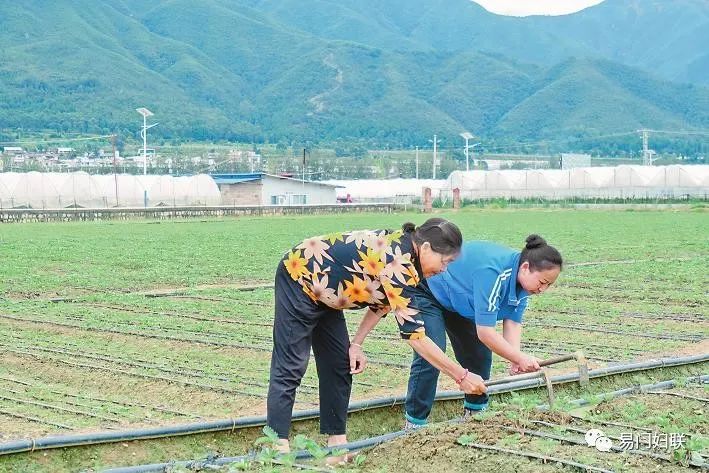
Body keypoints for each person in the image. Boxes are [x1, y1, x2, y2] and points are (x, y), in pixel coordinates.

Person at [266, 218, 487, 453]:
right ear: (425, 248)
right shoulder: (398, 262)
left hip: (329, 292)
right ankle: (277, 445)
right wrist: (461, 376)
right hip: (300, 276)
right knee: (291, 363)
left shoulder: (410, 261)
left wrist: (357, 344)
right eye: (445, 261)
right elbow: (416, 337)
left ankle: (337, 444)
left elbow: (382, 301)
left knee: (340, 364)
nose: (444, 269)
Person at [403, 234, 563, 428]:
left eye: (549, 285)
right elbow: (486, 333)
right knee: (432, 352)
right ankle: (414, 423)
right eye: (542, 282)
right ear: (526, 268)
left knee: (478, 354)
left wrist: (515, 358)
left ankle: (475, 414)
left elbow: (512, 320)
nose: (543, 289)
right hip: (430, 290)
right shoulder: (494, 273)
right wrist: (521, 358)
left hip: (461, 299)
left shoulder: (523, 286)